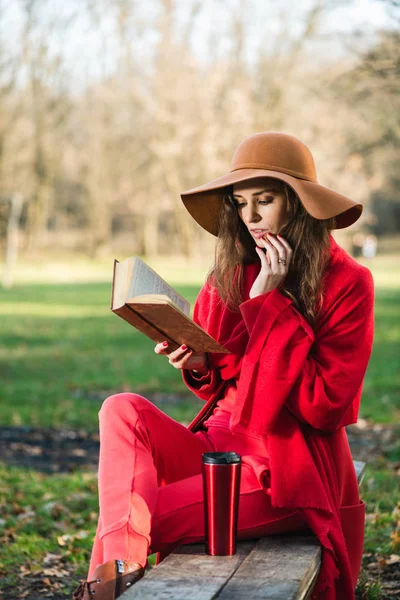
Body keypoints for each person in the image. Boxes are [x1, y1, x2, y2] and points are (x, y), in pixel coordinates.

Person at [73, 132, 374, 600]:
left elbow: (325, 407)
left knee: (136, 520)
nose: (249, 216)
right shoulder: (232, 269)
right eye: (239, 202)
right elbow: (222, 376)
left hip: (285, 473)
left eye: (265, 200)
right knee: (121, 408)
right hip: (216, 449)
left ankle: (103, 590)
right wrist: (196, 361)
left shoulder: (348, 282)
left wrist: (269, 305)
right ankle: (113, 586)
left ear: (297, 202)